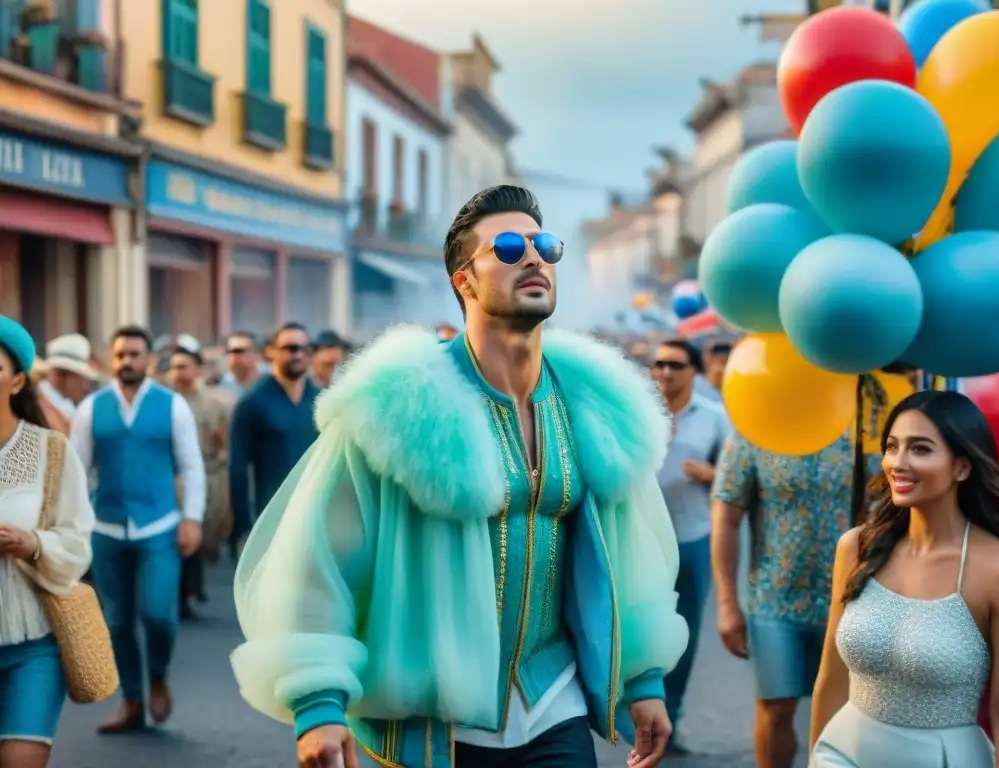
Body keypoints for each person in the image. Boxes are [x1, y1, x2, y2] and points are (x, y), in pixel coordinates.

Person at [231, 186, 688, 768]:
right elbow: (316, 559)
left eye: (543, 245)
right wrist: (318, 704)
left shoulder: (596, 404)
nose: (532, 257)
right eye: (505, 246)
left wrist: (643, 680)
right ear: (463, 281)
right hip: (435, 721)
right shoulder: (396, 408)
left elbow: (633, 555)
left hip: (554, 702)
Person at [809, 390, 999, 766]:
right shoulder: (857, 547)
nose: (897, 463)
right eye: (892, 446)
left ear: (961, 467)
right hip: (842, 754)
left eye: (920, 449)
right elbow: (831, 677)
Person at [712, 429, 879, 768]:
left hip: (851, 598)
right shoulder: (755, 429)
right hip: (774, 599)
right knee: (775, 708)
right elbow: (726, 515)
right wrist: (727, 603)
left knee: (850, 708)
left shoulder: (863, 423)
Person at [69, 325, 206, 733]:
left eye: (135, 354)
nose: (127, 361)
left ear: (149, 359)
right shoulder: (91, 408)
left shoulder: (173, 405)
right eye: (121, 354)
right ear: (110, 360)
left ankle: (159, 674)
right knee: (117, 623)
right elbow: (76, 473)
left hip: (159, 527)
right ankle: (132, 700)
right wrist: (73, 528)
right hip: (106, 528)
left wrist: (193, 518)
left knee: (158, 615)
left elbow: (192, 467)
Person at [0, 316, 94, 768]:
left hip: (35, 642)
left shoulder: (51, 450)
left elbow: (77, 541)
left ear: (18, 379)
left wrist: (32, 543)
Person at [651, 338, 729, 753]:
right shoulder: (637, 414)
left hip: (693, 539)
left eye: (675, 365)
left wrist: (710, 474)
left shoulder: (714, 419)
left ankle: (670, 719)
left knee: (684, 635)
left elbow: (735, 481)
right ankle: (633, 714)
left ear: (694, 372)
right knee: (638, 628)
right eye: (659, 364)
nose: (664, 372)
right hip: (639, 542)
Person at [228, 322, 319, 550]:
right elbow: (237, 469)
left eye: (302, 349)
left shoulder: (320, 399)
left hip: (314, 517)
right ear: (272, 352)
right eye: (289, 348)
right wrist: (243, 526)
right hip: (269, 519)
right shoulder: (252, 402)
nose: (297, 355)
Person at [166, 341, 231, 618]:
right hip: (172, 477)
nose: (179, 373)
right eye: (174, 367)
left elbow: (223, 443)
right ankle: (180, 595)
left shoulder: (213, 404)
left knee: (200, 536)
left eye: (184, 367)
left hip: (206, 474)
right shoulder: (163, 401)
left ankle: (193, 588)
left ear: (197, 370)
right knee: (177, 538)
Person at [36, 333, 99, 435]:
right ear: (60, 376)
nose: (86, 387)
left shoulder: (64, 405)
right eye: (81, 379)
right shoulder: (39, 406)